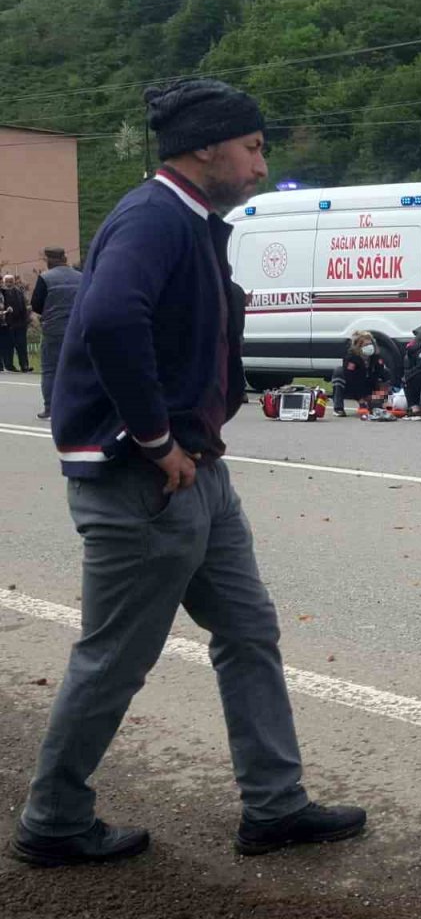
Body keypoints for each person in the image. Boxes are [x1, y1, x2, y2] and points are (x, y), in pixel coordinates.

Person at [10, 79, 365, 869]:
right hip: (143, 481)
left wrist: (195, 437)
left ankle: (274, 806)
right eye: (253, 147)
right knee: (115, 658)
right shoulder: (153, 216)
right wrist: (157, 437)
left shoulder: (194, 222)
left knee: (248, 631)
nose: (261, 164)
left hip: (197, 477)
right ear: (207, 146)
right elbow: (106, 321)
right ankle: (54, 820)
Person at [30, 247, 83, 420]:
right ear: (64, 258)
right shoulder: (80, 277)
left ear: (48, 260)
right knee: (76, 367)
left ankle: (50, 408)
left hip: (53, 329)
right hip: (77, 329)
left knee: (50, 370)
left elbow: (36, 304)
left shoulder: (45, 278)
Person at [331, 330, 392, 418]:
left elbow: (380, 374)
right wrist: (360, 399)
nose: (369, 347)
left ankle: (379, 404)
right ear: (359, 347)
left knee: (386, 374)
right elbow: (351, 380)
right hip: (352, 388)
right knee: (339, 372)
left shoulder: (376, 358)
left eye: (370, 344)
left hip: (369, 386)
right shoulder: (351, 358)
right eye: (366, 345)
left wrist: (377, 395)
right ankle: (338, 408)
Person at [2, 273, 33, 372]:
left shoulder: (19, 292)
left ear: (14, 282)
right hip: (8, 324)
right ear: (4, 282)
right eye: (7, 282)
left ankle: (24, 365)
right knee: (9, 346)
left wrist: (27, 318)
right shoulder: (2, 293)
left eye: (11, 281)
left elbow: (24, 305)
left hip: (20, 323)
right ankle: (9, 365)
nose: (9, 284)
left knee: (22, 345)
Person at [0, 274, 18, 371]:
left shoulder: (3, 292)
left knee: (7, 344)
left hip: (4, 322)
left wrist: (8, 309)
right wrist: (5, 311)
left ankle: (8, 364)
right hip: (2, 318)